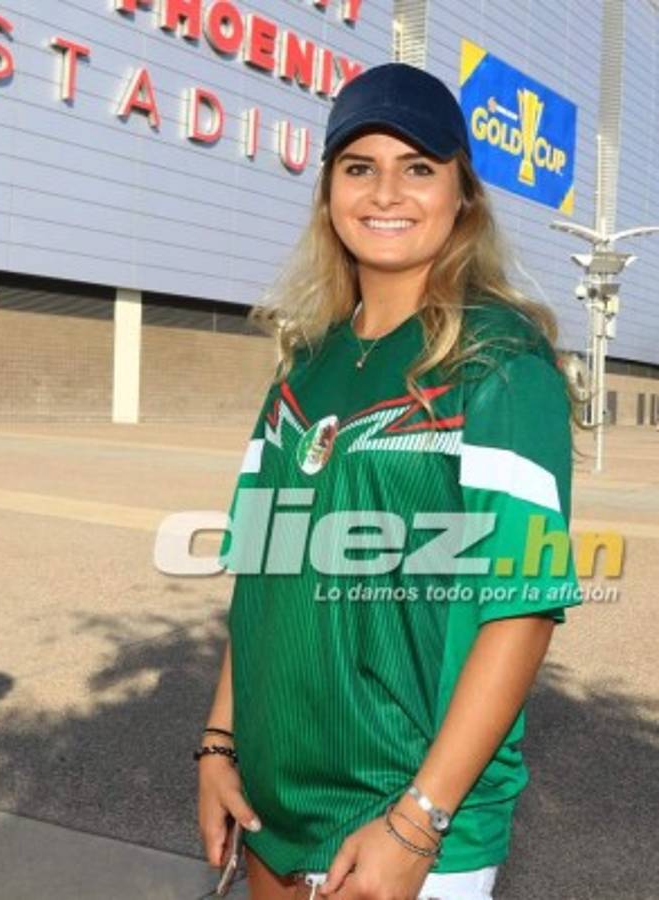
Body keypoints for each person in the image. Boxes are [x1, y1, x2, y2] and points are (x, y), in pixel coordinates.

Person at [196, 63, 587, 900]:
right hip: (270, 802)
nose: (386, 192)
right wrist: (220, 745)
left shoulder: (498, 364)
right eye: (359, 166)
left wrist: (418, 820)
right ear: (329, 191)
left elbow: (520, 610)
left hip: (406, 820)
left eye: (417, 167)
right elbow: (261, 577)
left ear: (462, 197)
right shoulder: (304, 366)